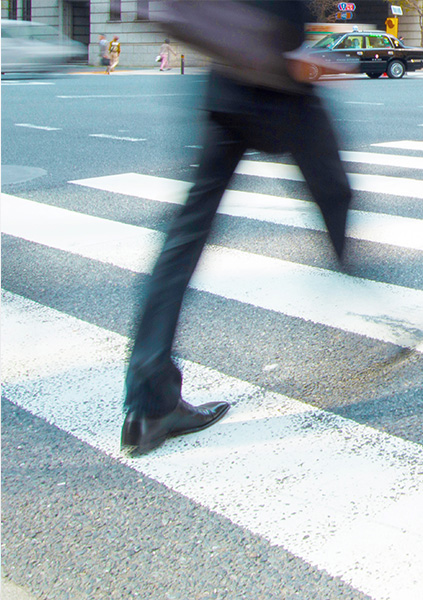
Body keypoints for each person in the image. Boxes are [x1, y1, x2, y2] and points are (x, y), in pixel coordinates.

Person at [121, 0, 353, 457]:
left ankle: (148, 408)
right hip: (283, 92)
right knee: (336, 195)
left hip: (229, 90)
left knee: (184, 238)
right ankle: (372, 299)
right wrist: (300, 63)